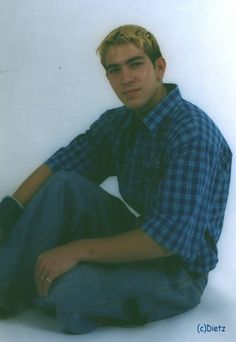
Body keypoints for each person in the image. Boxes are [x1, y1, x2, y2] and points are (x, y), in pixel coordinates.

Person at [0, 24, 232, 334]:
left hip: (178, 270)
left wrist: (76, 250)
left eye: (136, 64)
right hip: (140, 233)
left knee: (63, 293)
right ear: (108, 77)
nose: (127, 78)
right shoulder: (119, 123)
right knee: (64, 184)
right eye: (115, 70)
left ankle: (27, 276)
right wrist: (9, 212)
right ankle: (7, 283)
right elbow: (60, 166)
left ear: (159, 67)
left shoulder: (192, 133)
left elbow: (166, 239)